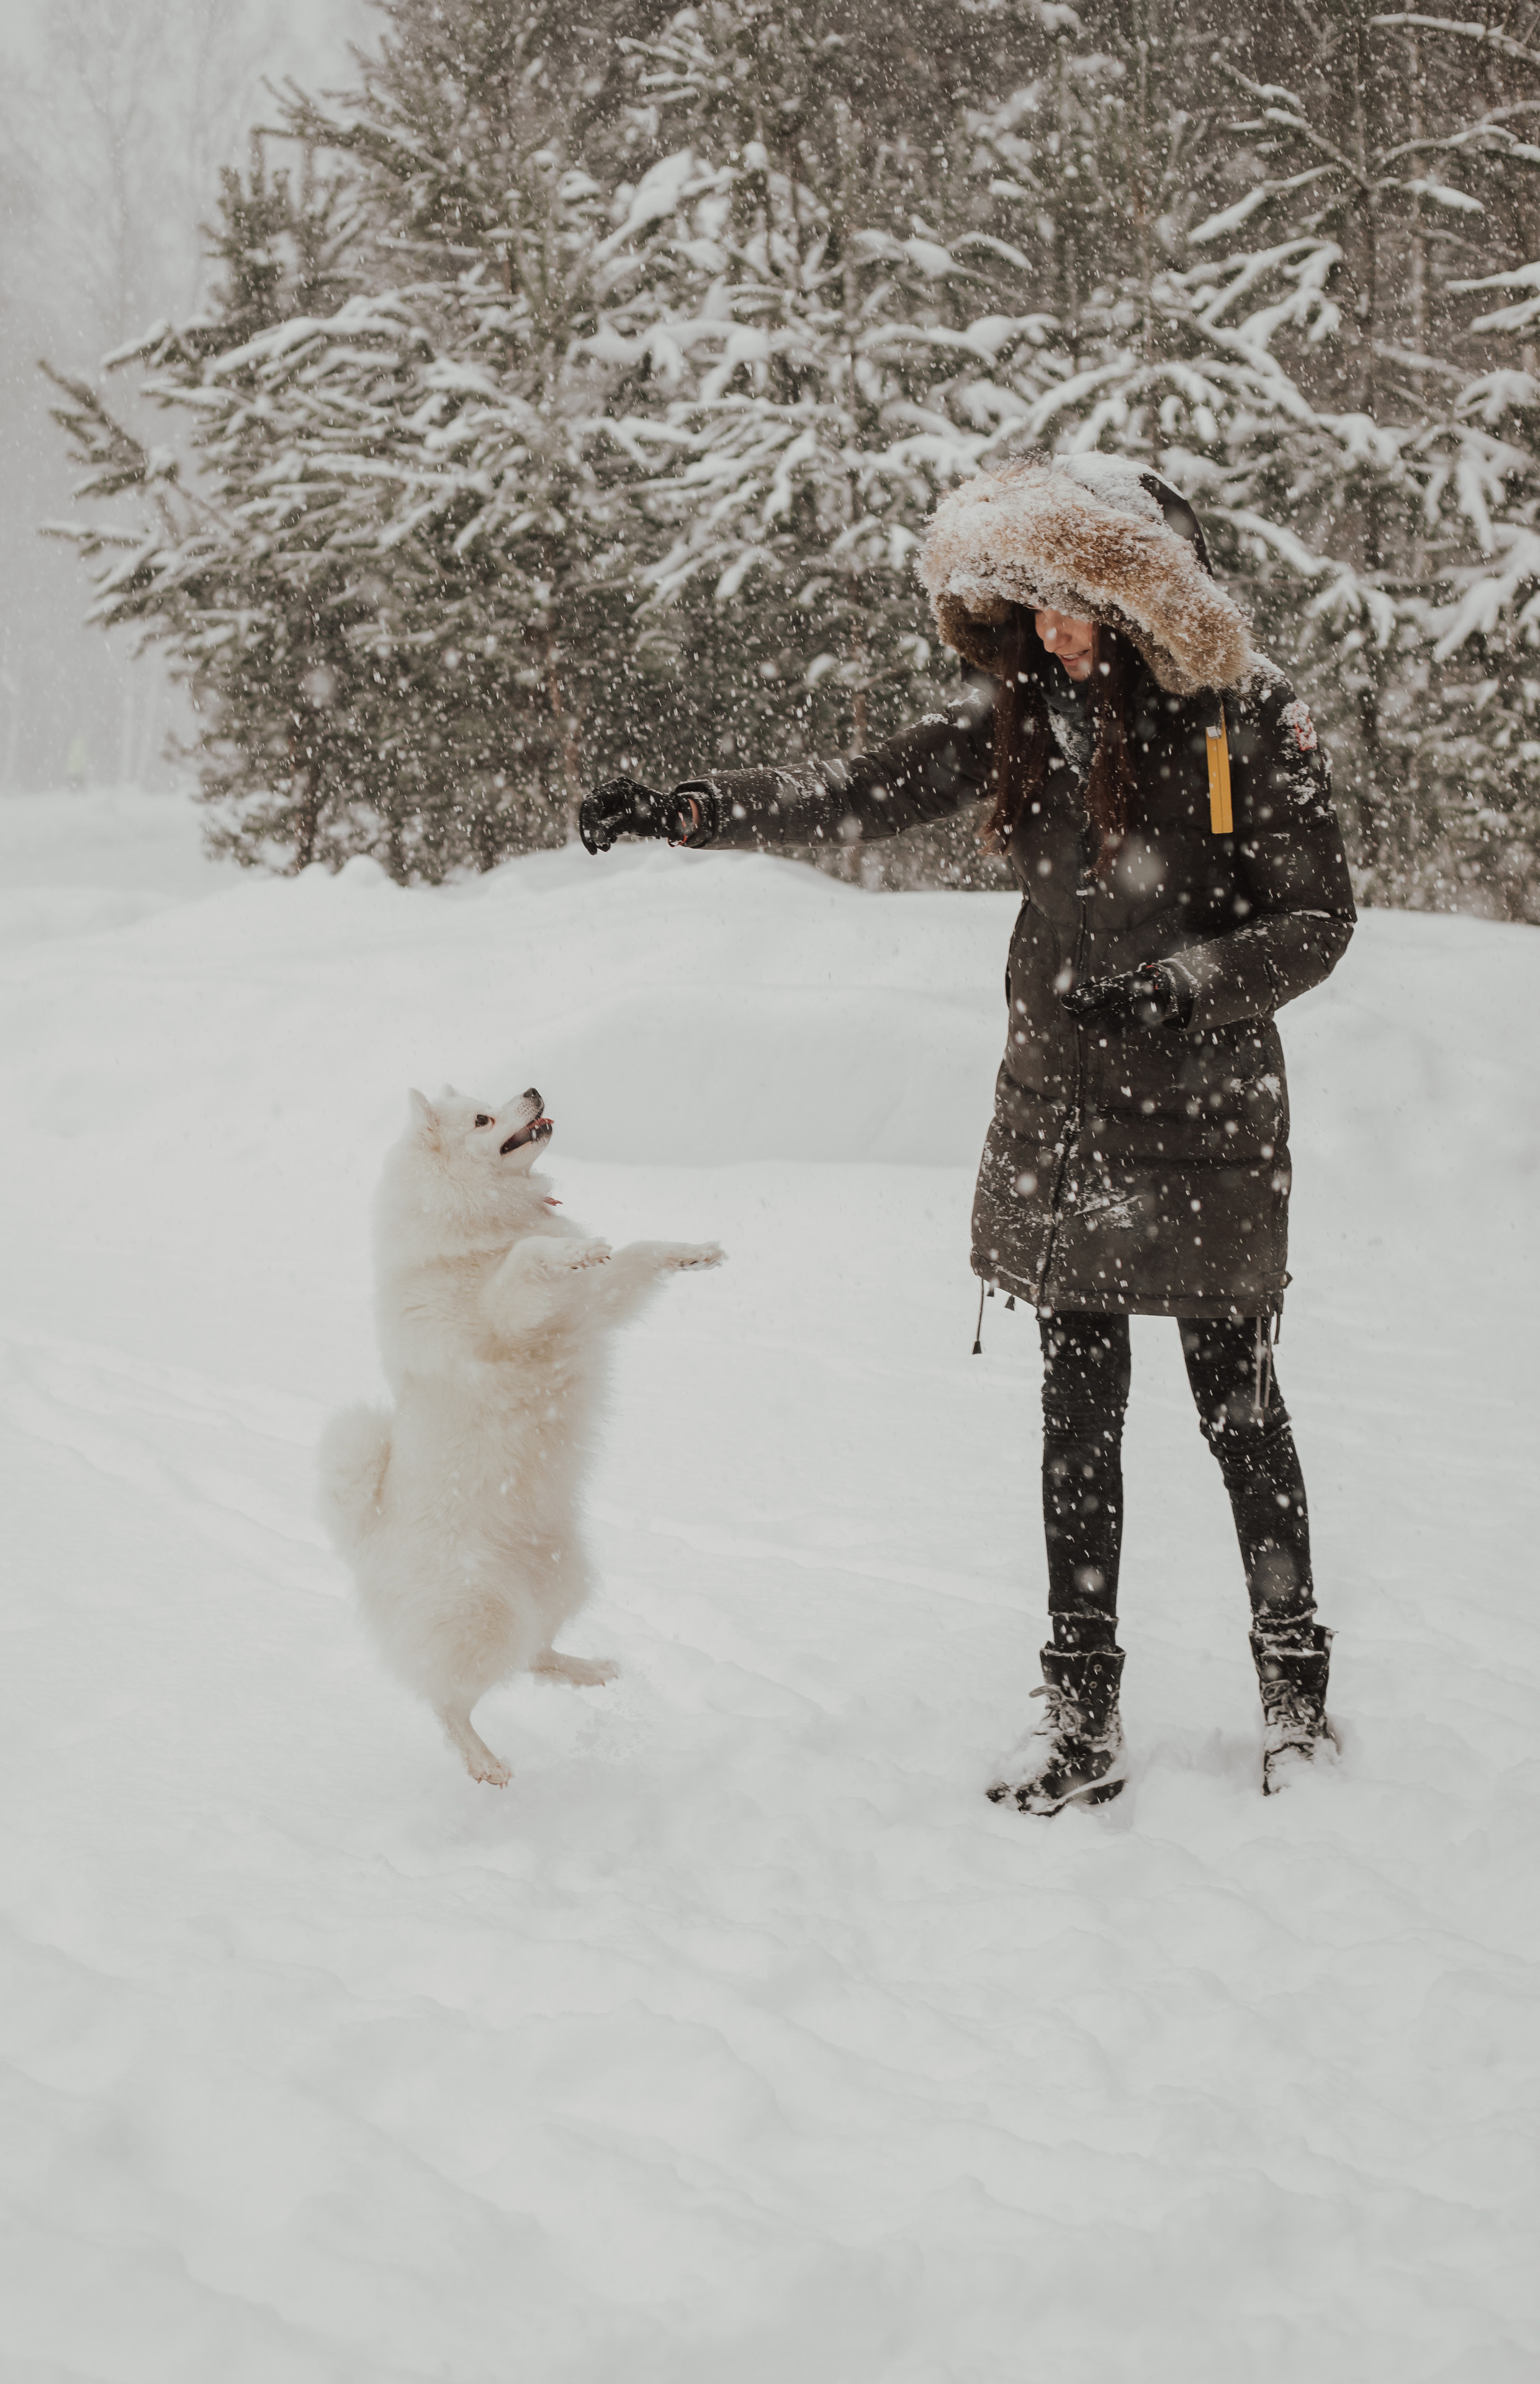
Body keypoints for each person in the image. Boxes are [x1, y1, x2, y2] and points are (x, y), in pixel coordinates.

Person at [578, 454, 1356, 1812]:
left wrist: (1181, 985)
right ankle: (1076, 1708)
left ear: (1139, 602)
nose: (1051, 635)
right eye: (1033, 610)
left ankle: (1294, 1695)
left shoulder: (1245, 722)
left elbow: (1314, 919)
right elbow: (859, 789)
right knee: (1075, 1417)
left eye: (1074, 611)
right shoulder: (1025, 717)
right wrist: (693, 807)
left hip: (1205, 1113)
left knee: (1235, 1410)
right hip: (1060, 1107)